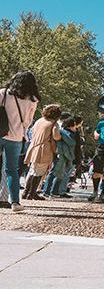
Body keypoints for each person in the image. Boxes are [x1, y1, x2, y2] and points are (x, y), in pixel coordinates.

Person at [1, 72, 40, 211]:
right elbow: (28, 122)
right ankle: (15, 203)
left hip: (1, 134)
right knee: (12, 170)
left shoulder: (4, 93)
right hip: (16, 137)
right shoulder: (33, 100)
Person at [22, 104, 62, 202]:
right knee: (39, 171)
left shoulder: (39, 121)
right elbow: (56, 136)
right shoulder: (53, 123)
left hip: (34, 147)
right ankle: (31, 193)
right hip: (44, 149)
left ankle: (26, 192)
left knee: (33, 170)